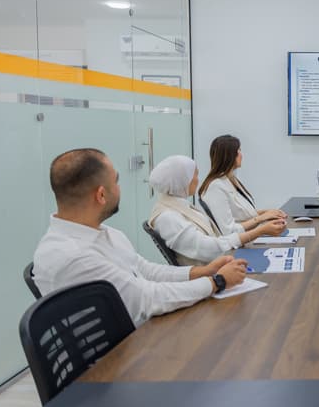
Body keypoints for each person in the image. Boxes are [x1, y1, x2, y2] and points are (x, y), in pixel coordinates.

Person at [33, 148, 248, 327]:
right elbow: (147, 299)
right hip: (118, 361)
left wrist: (204, 272)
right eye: (116, 181)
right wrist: (217, 281)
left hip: (141, 332)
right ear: (101, 195)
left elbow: (145, 270)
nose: (120, 188)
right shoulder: (72, 256)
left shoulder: (105, 233)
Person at [148, 155, 286, 266]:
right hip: (210, 272)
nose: (197, 180)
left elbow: (215, 238)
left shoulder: (179, 205)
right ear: (181, 180)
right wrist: (258, 231)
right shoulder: (167, 217)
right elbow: (208, 249)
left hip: (220, 262)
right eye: (194, 175)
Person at [198, 135, 287, 235]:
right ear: (229, 156)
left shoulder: (229, 180)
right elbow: (228, 231)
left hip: (248, 238)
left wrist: (268, 213)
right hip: (237, 245)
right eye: (238, 151)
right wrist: (261, 218)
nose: (241, 155)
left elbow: (243, 215)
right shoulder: (215, 187)